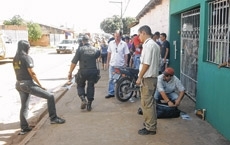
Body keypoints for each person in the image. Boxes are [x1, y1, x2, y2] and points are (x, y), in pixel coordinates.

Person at [13, 40, 65, 135]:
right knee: (50, 96)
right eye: (28, 47)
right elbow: (32, 73)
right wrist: (40, 85)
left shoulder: (15, 58)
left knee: (24, 106)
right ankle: (53, 118)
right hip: (27, 84)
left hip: (19, 84)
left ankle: (24, 128)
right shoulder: (26, 58)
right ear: (26, 48)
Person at [136, 25, 160, 135]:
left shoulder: (148, 45)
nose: (138, 37)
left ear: (143, 33)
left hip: (148, 78)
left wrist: (139, 77)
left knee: (147, 103)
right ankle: (150, 124)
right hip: (153, 78)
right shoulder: (155, 45)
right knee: (150, 103)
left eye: (139, 34)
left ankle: (150, 127)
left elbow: (146, 64)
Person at [68, 35, 100, 111]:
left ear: (82, 41)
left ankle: (83, 99)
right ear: (89, 41)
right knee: (91, 86)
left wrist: (70, 72)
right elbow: (98, 56)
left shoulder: (80, 50)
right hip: (93, 71)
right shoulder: (95, 49)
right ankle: (89, 105)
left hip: (83, 71)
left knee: (80, 85)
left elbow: (74, 62)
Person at [105, 30, 130, 99]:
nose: (116, 37)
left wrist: (125, 63)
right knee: (111, 79)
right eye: (115, 36)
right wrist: (107, 62)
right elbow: (109, 53)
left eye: (118, 36)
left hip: (121, 65)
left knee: (120, 80)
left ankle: (120, 92)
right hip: (112, 64)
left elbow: (126, 54)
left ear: (121, 36)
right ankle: (111, 92)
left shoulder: (124, 44)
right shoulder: (111, 43)